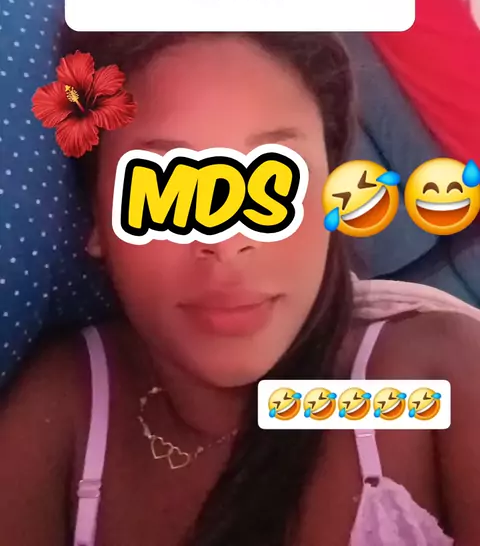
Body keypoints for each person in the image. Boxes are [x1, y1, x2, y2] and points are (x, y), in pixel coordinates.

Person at [1, 30, 480, 546]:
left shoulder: (428, 386)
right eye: (166, 187)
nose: (227, 240)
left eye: (274, 182)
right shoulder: (67, 410)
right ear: (97, 217)